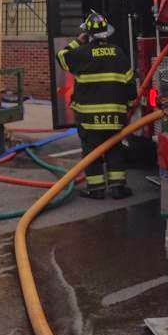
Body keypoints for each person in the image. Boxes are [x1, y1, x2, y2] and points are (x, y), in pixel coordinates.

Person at [56, 11, 137, 200]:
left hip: (89, 119)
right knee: (115, 149)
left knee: (91, 152)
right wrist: (128, 107)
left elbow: (61, 56)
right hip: (115, 117)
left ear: (88, 34)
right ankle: (118, 188)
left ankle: (97, 189)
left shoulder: (82, 53)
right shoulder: (118, 53)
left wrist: (78, 41)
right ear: (107, 33)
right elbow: (130, 86)